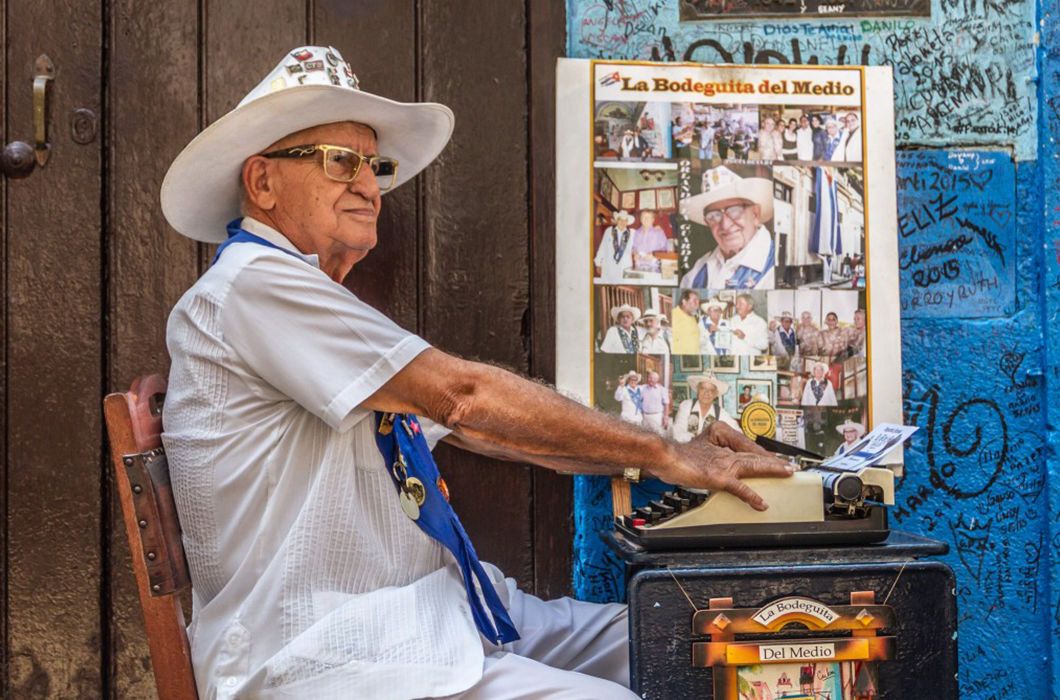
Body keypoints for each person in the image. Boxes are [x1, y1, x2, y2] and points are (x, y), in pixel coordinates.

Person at [160, 45, 794, 699]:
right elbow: (463, 397)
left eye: (374, 166)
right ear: (262, 182)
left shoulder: (299, 299)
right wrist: (666, 454)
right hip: (325, 650)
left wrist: (656, 452)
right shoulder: (255, 284)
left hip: (427, 614)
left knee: (698, 640)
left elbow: (481, 431)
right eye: (339, 161)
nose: (370, 186)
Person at [678, 164, 776, 290]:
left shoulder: (773, 267)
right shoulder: (700, 268)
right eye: (714, 215)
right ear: (707, 223)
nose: (725, 225)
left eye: (734, 211)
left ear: (755, 214)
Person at [672, 374, 741, 440]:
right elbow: (677, 431)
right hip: (685, 449)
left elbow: (738, 433)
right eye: (703, 388)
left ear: (715, 394)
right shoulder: (687, 406)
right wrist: (695, 440)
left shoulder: (720, 413)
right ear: (697, 390)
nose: (706, 393)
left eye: (711, 390)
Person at [593, 210, 635, 282]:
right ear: (617, 220)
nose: (622, 222)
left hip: (624, 267)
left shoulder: (632, 233)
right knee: (608, 290)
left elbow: (643, 236)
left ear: (627, 222)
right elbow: (602, 247)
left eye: (625, 220)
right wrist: (598, 263)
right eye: (620, 219)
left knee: (623, 290)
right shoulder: (609, 231)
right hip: (609, 266)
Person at [671, 289, 702, 355]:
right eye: (694, 300)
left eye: (698, 301)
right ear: (684, 302)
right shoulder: (673, 316)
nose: (697, 304)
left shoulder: (692, 317)